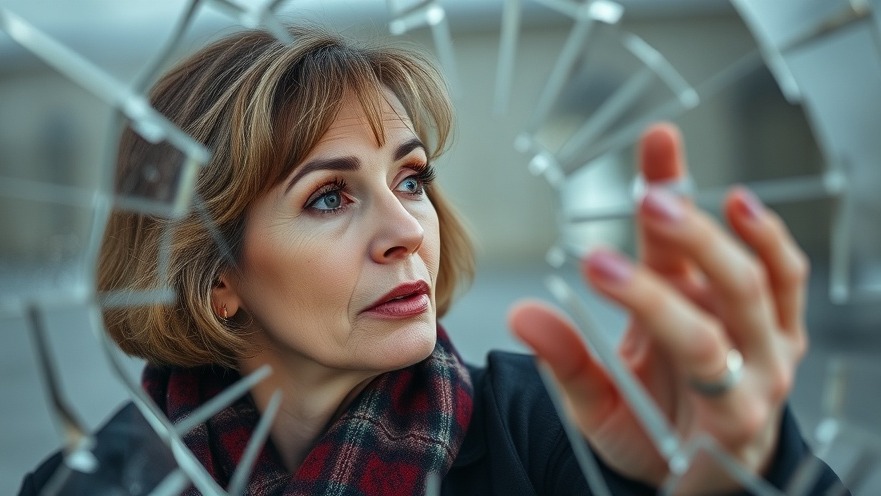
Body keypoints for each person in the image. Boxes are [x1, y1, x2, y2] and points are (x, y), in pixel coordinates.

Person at [20, 25, 845, 495]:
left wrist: (741, 472)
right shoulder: (92, 483)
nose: (406, 230)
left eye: (410, 180)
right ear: (216, 278)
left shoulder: (555, 428)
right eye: (329, 197)